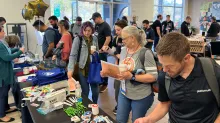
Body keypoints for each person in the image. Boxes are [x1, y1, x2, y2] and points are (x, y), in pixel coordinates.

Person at [135, 32, 220, 123]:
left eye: (169, 66)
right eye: (162, 64)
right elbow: (165, 104)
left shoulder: (211, 70)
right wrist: (148, 119)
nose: (164, 70)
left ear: (186, 58)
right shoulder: (164, 76)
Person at [101, 26, 157, 123]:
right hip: (124, 93)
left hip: (141, 95)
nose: (122, 41)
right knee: (120, 120)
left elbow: (153, 76)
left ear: (132, 38)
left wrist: (132, 76)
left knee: (136, 121)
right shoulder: (123, 50)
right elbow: (121, 71)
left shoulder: (145, 53)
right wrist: (108, 72)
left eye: (124, 38)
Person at [67, 21, 99, 103]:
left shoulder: (95, 38)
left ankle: (95, 105)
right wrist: (70, 69)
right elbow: (73, 55)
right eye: (85, 30)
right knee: (85, 91)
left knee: (95, 91)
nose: (87, 32)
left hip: (93, 68)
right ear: (82, 30)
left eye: (89, 30)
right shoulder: (78, 39)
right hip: (83, 68)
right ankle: (86, 107)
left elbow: (97, 51)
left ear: (92, 30)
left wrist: (95, 53)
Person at [0, 26, 25, 122]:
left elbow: (8, 51)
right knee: (2, 94)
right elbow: (7, 57)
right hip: (2, 73)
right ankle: (2, 115)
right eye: (2, 31)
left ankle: (6, 108)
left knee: (5, 92)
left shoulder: (2, 43)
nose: (4, 33)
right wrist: (19, 52)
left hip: (6, 72)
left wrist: (18, 50)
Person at [105, 20, 128, 114]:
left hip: (126, 68)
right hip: (118, 66)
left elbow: (125, 57)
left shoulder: (128, 41)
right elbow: (116, 54)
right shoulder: (117, 39)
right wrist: (112, 54)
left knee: (122, 89)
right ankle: (119, 105)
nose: (116, 32)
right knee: (116, 88)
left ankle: (122, 107)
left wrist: (114, 53)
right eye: (115, 30)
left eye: (118, 30)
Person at [91, 12, 112, 93]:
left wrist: (103, 49)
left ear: (99, 17)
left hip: (102, 51)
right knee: (98, 66)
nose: (94, 21)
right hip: (96, 50)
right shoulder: (96, 25)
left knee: (104, 67)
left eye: (94, 19)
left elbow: (108, 38)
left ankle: (105, 83)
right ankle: (100, 81)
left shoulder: (106, 26)